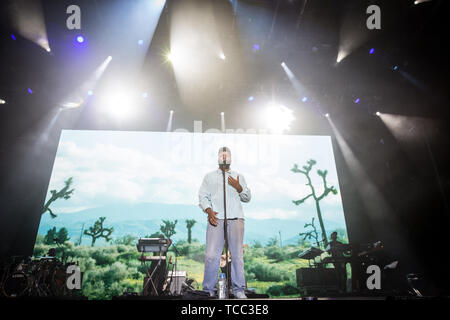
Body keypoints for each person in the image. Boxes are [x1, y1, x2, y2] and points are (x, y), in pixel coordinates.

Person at [198, 147, 251, 299]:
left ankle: (238, 289)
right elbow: (203, 196)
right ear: (217, 158)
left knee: (237, 256)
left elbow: (247, 197)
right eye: (221, 154)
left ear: (231, 158)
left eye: (226, 154)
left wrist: (238, 187)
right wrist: (208, 211)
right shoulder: (209, 177)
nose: (224, 156)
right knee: (211, 255)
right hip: (216, 218)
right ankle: (208, 289)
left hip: (236, 219)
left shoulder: (238, 176)